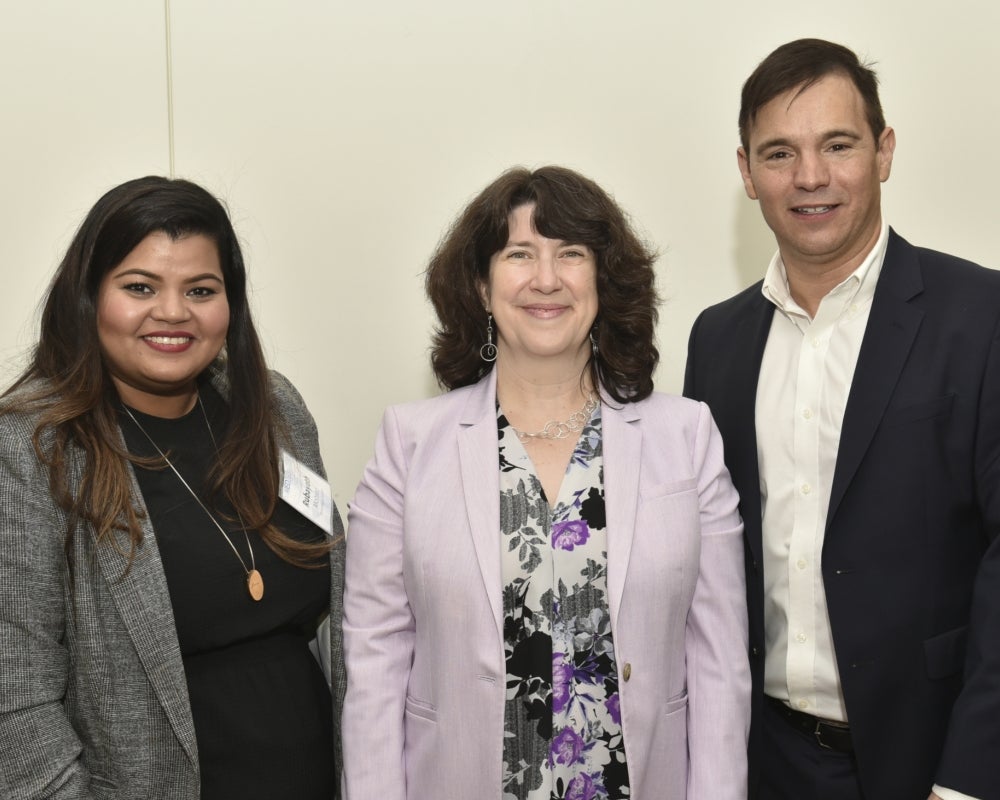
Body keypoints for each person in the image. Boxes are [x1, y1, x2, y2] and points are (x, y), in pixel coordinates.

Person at [341, 165, 750, 799]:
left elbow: (721, 662)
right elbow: (374, 662)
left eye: (571, 254)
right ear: (481, 285)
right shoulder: (409, 444)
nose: (546, 279)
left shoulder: (686, 436)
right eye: (519, 254)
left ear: (603, 280)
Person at [684, 38, 1000, 800]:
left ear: (884, 151)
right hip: (768, 762)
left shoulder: (981, 318)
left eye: (838, 144)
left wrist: (965, 781)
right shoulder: (716, 341)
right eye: (780, 153)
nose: (811, 177)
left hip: (934, 760)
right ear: (747, 173)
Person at [0, 176, 346, 799]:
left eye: (201, 290)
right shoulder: (34, 447)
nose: (173, 312)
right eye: (140, 287)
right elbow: (15, 704)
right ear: (88, 298)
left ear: (230, 304)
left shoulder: (272, 408)